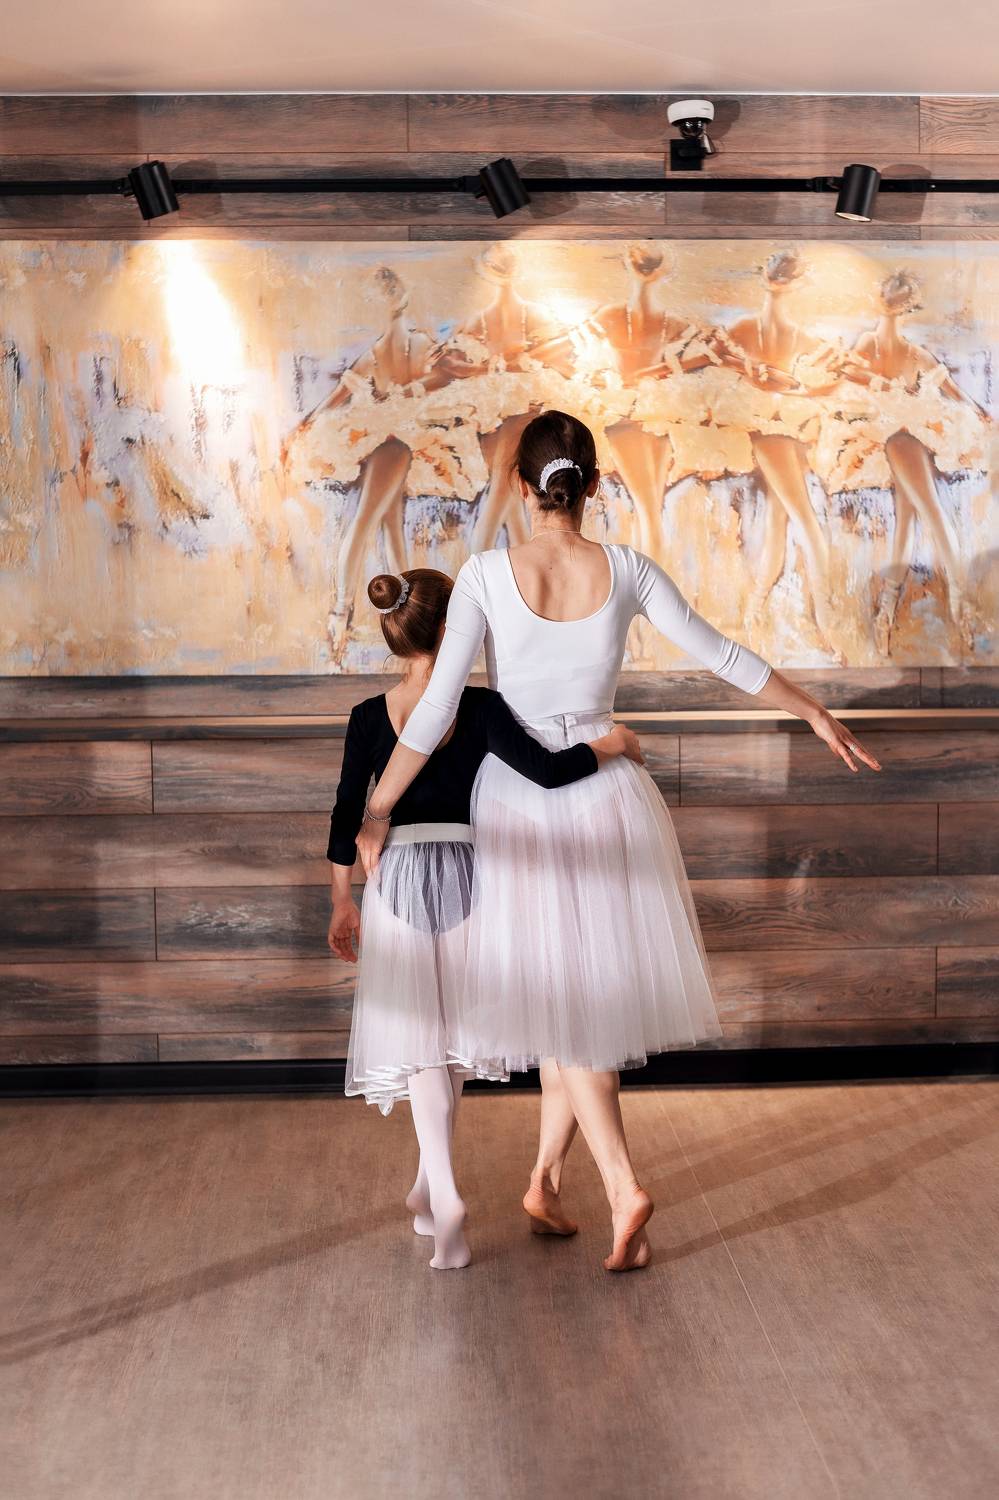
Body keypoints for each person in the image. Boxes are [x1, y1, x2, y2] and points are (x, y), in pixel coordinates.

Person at [354, 409, 882, 1274]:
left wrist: (377, 808)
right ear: (592, 485)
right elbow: (722, 654)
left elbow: (437, 710)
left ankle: (622, 1187)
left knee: (565, 1003)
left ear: (519, 487)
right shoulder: (627, 568)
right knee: (574, 998)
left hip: (523, 802)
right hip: (606, 792)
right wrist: (811, 710)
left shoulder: (485, 574)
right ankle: (542, 1181)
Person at [327, 565, 642, 1271]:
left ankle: (441, 1195)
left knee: (422, 1040)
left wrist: (342, 897)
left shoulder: (367, 716)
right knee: (449, 1040)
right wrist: (612, 743)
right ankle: (431, 1187)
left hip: (399, 876)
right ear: (452, 629)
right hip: (474, 876)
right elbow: (547, 771)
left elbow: (349, 813)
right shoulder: (480, 707)